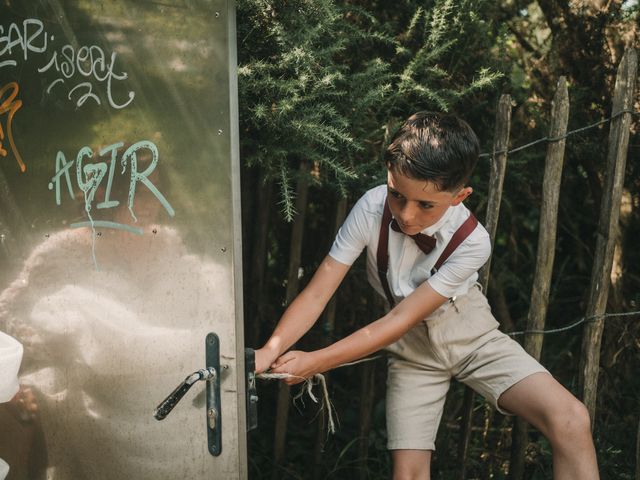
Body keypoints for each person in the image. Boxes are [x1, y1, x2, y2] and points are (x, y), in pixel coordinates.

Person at [254, 112, 599, 480]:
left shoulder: (474, 241)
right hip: (410, 351)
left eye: (425, 205)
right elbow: (318, 292)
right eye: (396, 195)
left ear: (459, 196)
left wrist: (317, 361)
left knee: (571, 418)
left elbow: (398, 318)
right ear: (388, 174)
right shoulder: (370, 208)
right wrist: (269, 351)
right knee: (409, 475)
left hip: (470, 335)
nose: (405, 214)